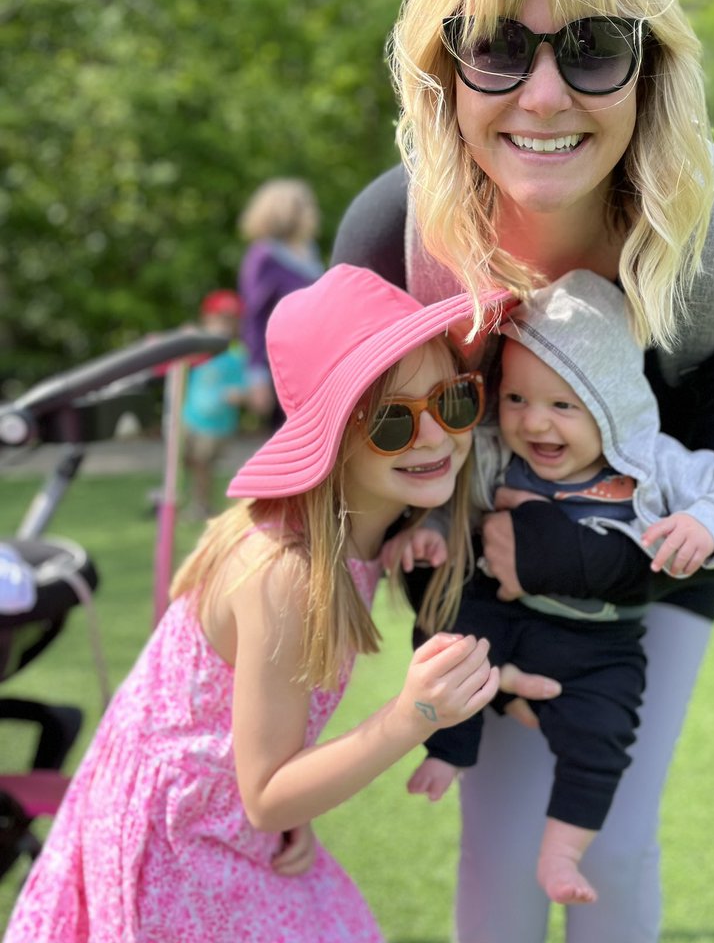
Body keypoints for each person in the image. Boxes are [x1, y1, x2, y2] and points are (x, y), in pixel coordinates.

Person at [332, 0, 714, 943]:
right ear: (443, 69)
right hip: (469, 574)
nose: (543, 96)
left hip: (656, 556)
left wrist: (563, 564)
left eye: (592, 47)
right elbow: (340, 499)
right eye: (497, 46)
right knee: (500, 846)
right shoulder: (393, 242)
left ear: (651, 67)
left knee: (611, 841)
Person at [3, 263, 518, 943]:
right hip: (175, 848)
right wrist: (412, 715)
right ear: (331, 438)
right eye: (391, 421)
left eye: (452, 401)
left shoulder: (361, 532)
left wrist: (293, 799)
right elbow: (265, 794)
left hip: (227, 817)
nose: (433, 435)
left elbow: (261, 769)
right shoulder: (285, 572)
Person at [400, 269, 714, 906]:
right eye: (517, 399)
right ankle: (448, 746)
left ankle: (563, 853)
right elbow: (451, 498)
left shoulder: (651, 462)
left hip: (601, 643)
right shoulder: (495, 455)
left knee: (604, 733)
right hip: (507, 615)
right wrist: (428, 533)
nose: (535, 423)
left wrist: (704, 524)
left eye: (563, 405)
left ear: (612, 403)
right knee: (450, 636)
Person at [237, 177, 325, 430]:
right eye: (307, 206)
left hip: (314, 363)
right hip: (280, 367)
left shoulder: (309, 251)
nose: (313, 213)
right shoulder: (264, 256)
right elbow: (254, 317)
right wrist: (256, 374)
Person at [180, 288, 249, 519]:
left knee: (203, 464)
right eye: (220, 320)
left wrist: (240, 394)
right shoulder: (200, 350)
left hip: (216, 425)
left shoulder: (237, 353)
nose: (224, 327)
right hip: (190, 418)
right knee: (186, 461)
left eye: (230, 321)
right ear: (207, 320)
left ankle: (201, 505)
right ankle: (189, 501)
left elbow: (247, 386)